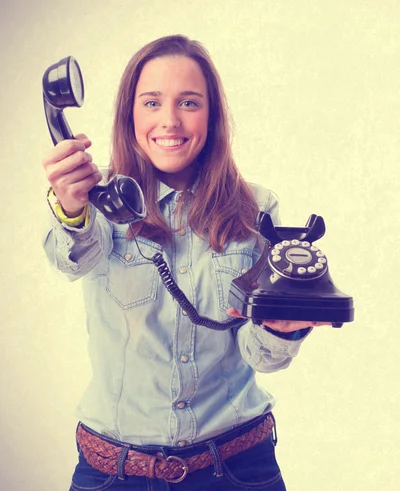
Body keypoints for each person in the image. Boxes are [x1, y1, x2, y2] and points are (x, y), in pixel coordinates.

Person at [42, 34, 327, 491]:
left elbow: (259, 356)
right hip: (114, 472)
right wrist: (72, 208)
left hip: (236, 465)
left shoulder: (257, 208)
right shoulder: (95, 199)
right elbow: (71, 260)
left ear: (211, 116)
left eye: (189, 102)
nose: (169, 120)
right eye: (151, 102)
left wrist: (280, 328)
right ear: (129, 114)